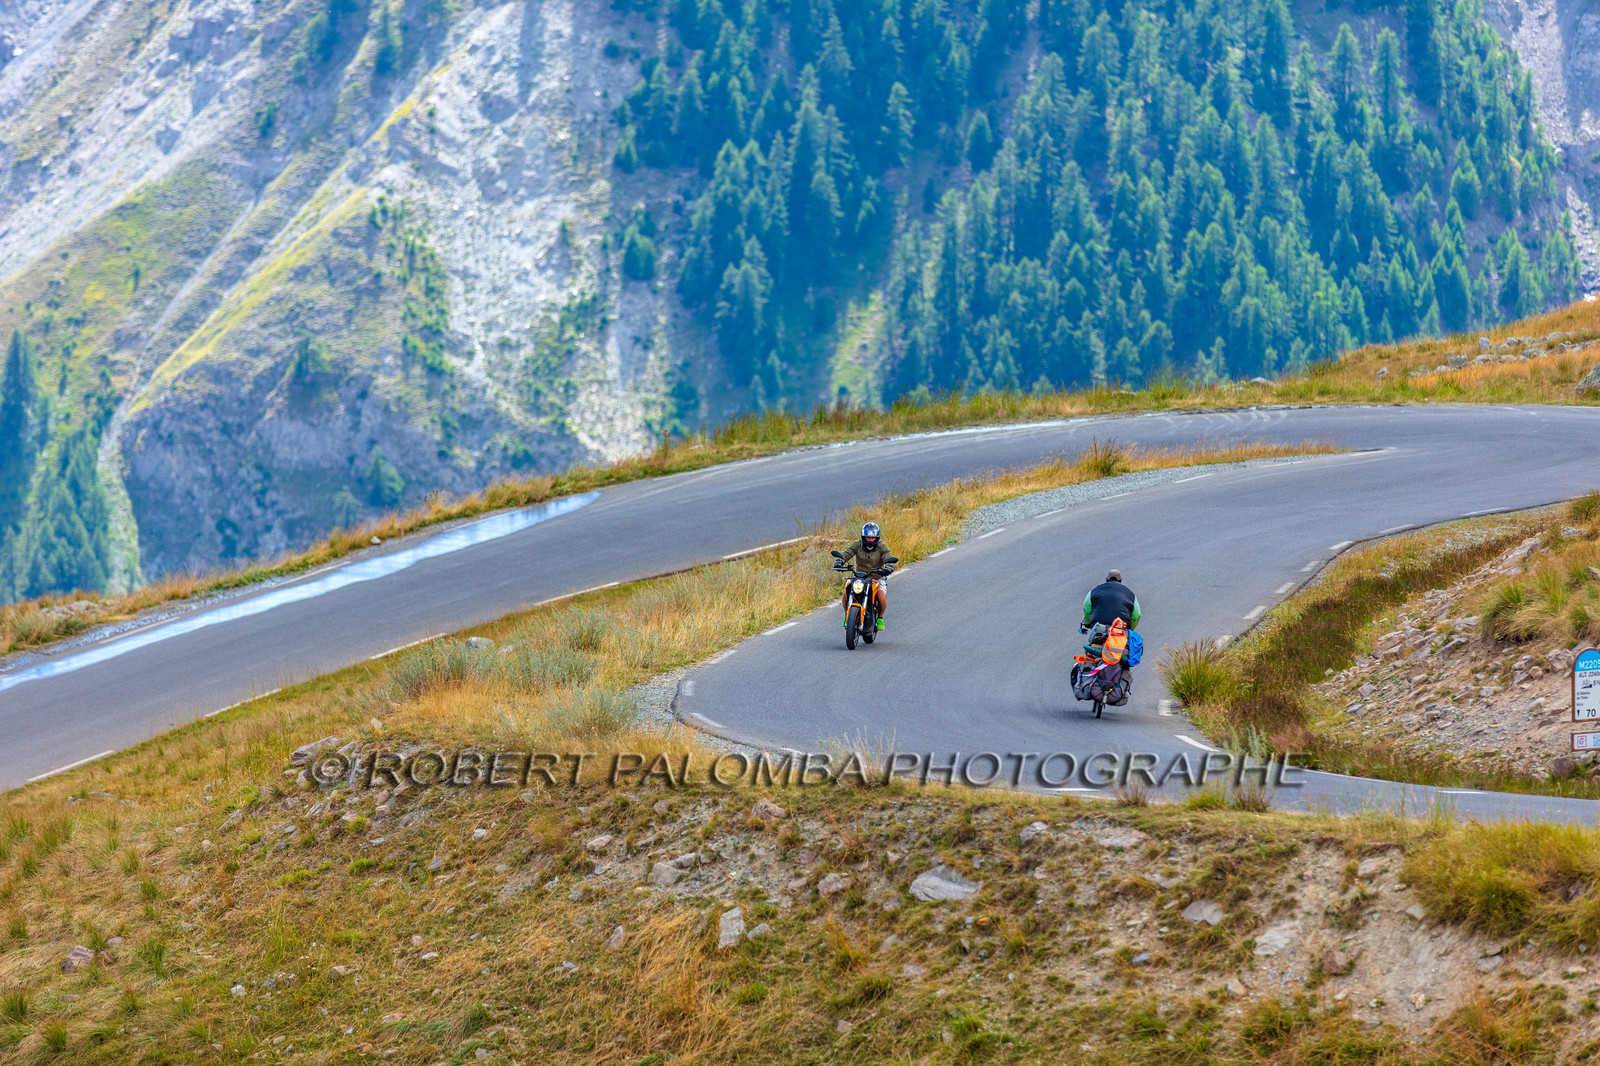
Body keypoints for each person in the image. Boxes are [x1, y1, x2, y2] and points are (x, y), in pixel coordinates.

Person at [836, 522, 892, 629]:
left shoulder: (882, 546)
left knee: (881, 599)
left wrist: (888, 567)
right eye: (868, 537)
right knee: (846, 593)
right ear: (863, 537)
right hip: (859, 577)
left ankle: (880, 618)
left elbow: (888, 557)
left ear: (876, 537)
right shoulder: (857, 544)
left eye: (872, 538)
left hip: (877, 577)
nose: (870, 540)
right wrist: (840, 561)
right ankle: (847, 615)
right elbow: (847, 553)